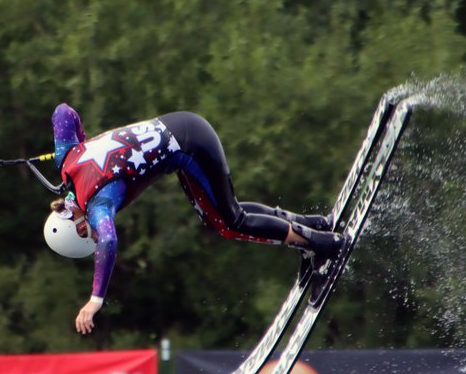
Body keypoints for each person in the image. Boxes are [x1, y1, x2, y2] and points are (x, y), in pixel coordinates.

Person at [44, 103, 345, 334]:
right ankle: (315, 225)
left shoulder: (98, 204)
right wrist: (85, 142)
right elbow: (63, 111)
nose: (95, 234)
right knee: (223, 214)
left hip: (190, 145)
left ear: (78, 227)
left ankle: (322, 244)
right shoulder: (67, 158)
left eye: (89, 235)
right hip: (182, 130)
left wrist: (96, 299)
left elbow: (108, 240)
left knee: (231, 225)